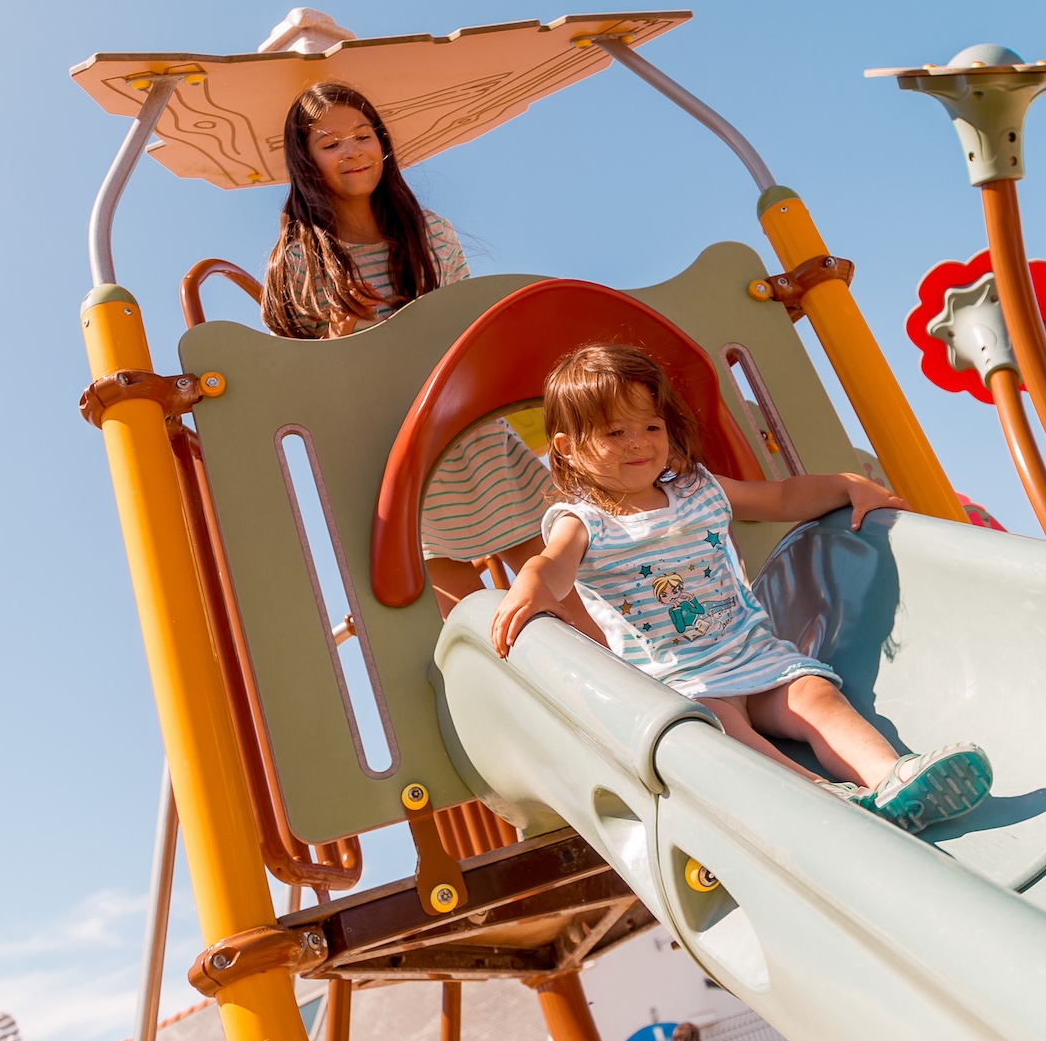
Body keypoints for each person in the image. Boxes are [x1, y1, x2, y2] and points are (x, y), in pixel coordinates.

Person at [490, 343, 993, 834]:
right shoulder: (585, 521)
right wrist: (530, 588)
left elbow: (779, 497)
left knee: (816, 695)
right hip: (681, 684)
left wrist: (844, 485)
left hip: (757, 658)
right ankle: (822, 800)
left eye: (650, 426)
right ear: (568, 448)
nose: (639, 442)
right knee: (721, 734)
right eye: (615, 431)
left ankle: (892, 778)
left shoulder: (698, 489)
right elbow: (551, 564)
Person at [261, 81, 550, 612]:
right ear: (306, 162)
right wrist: (334, 343)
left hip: (470, 430)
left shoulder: (430, 234)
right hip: (394, 447)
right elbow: (297, 372)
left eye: (362, 136)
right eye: (330, 144)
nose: (352, 152)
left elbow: (469, 325)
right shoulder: (303, 259)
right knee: (470, 620)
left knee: (562, 584)